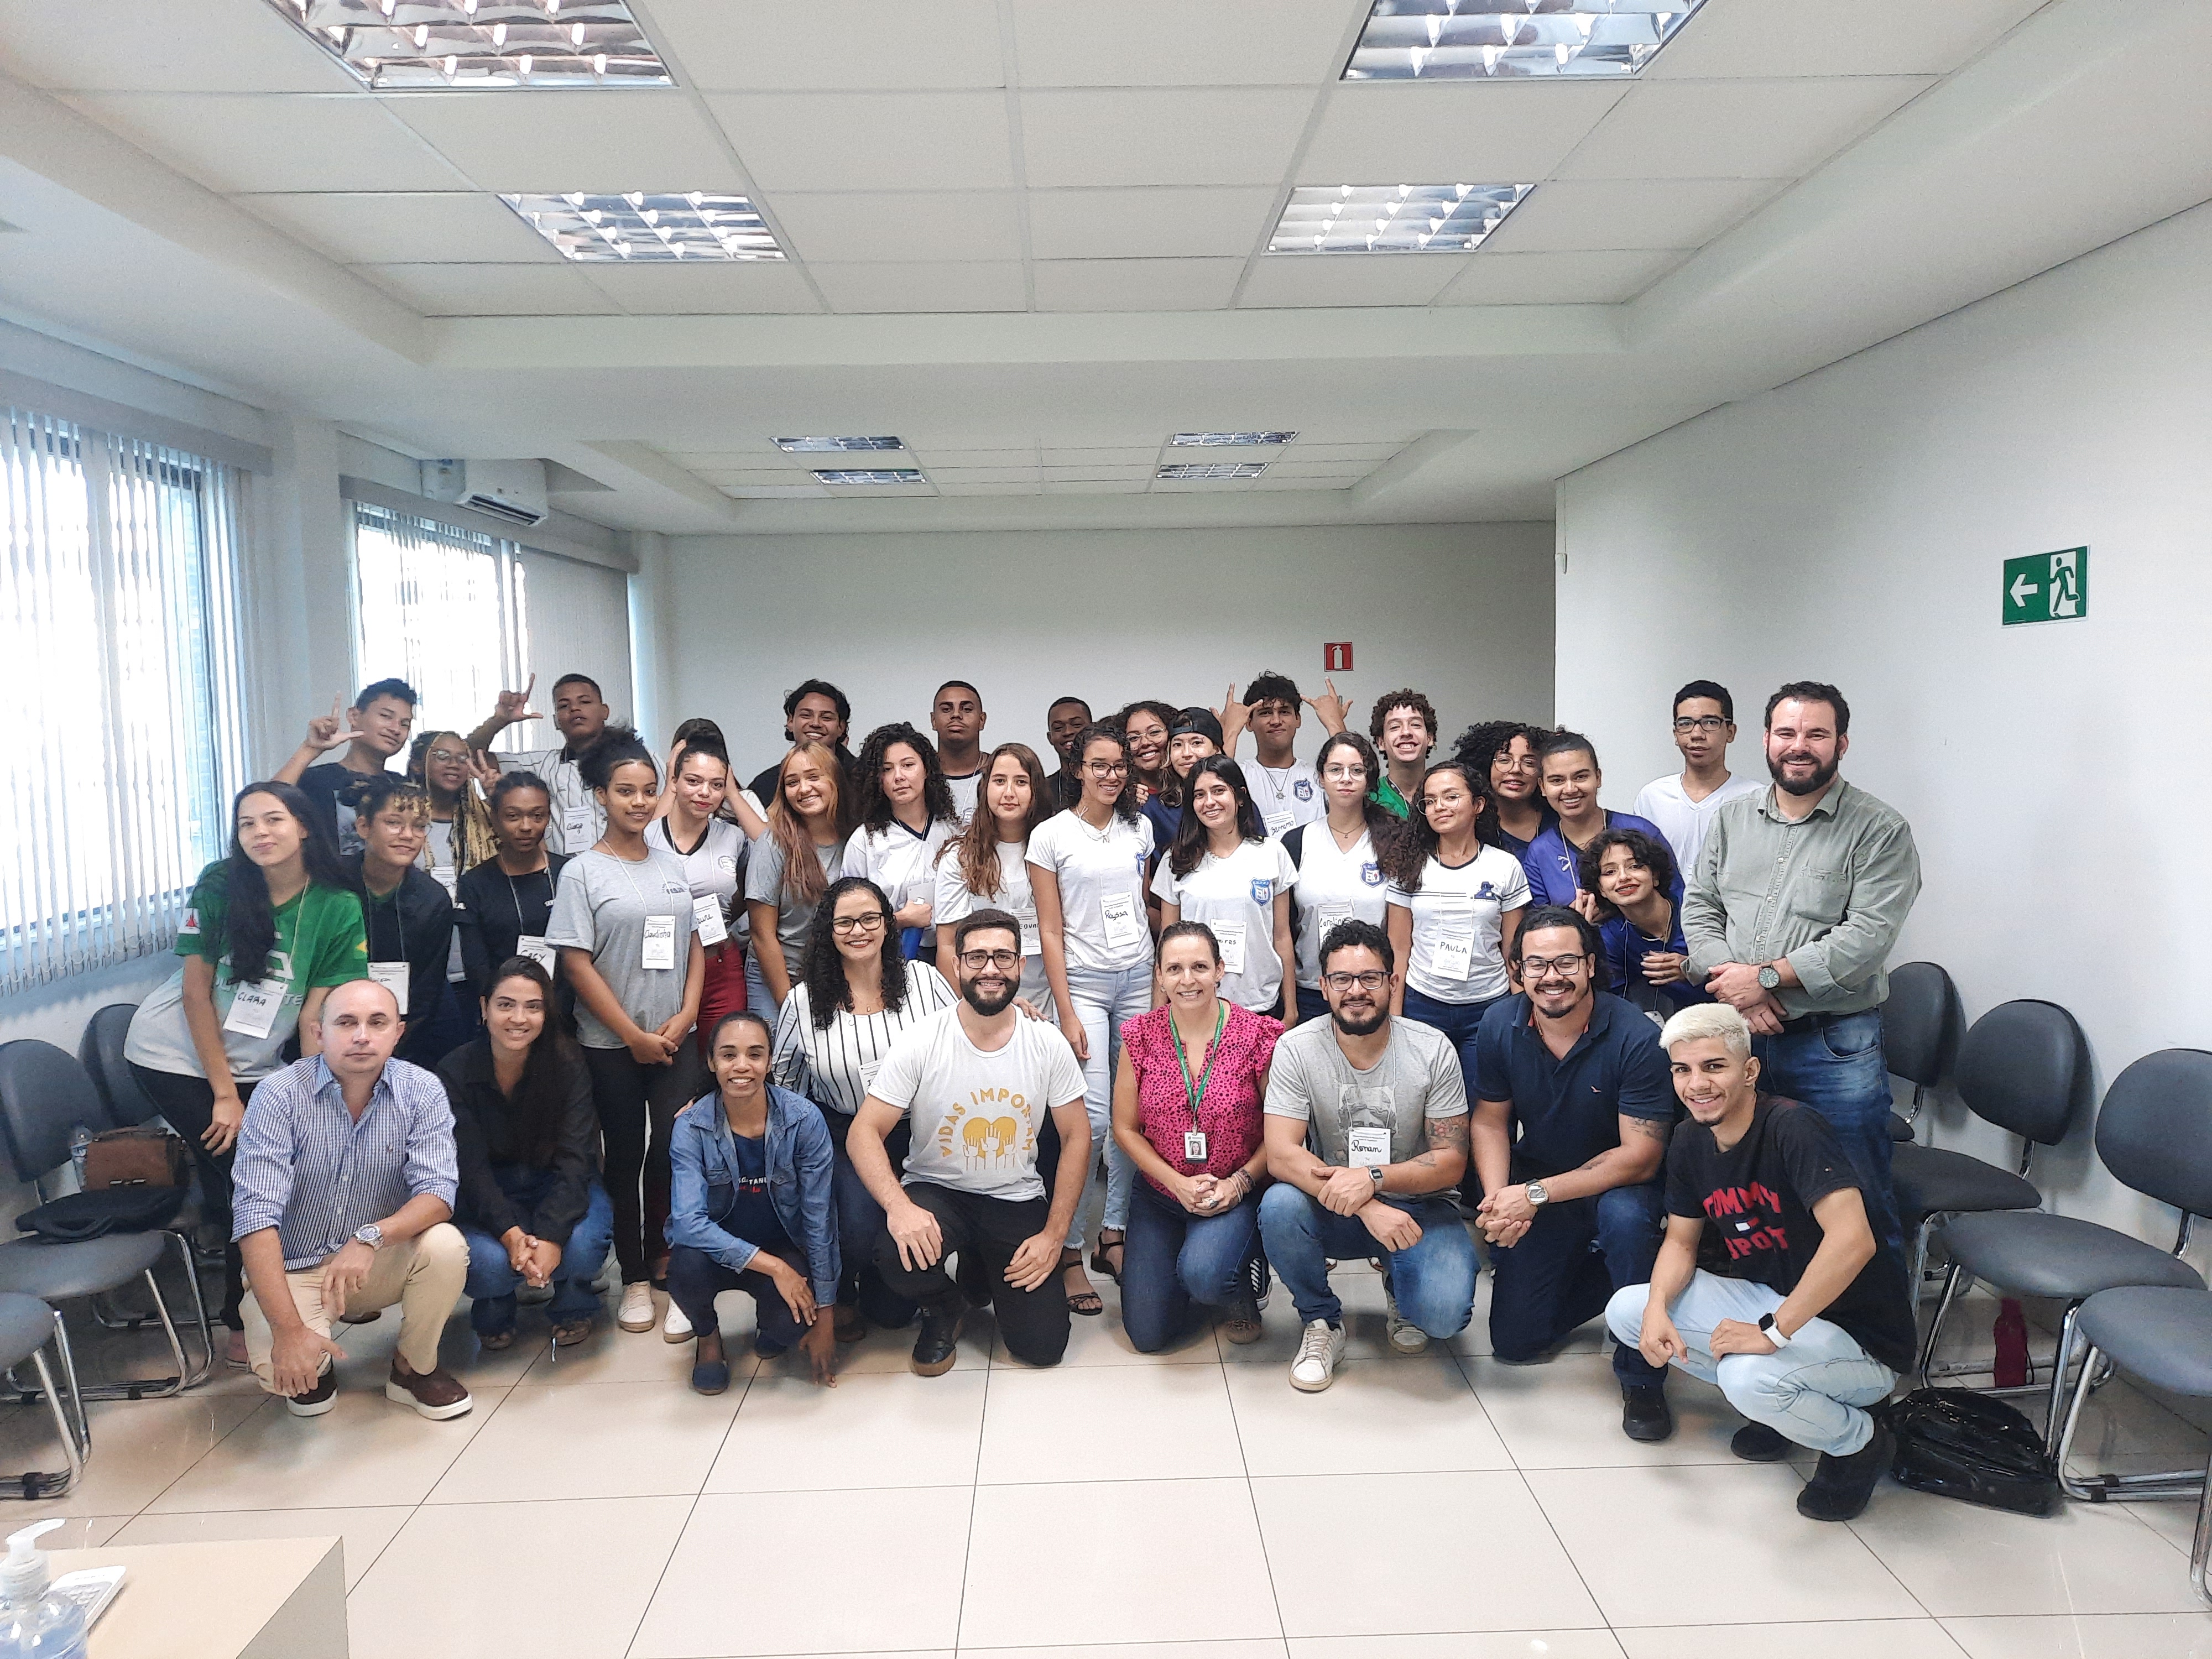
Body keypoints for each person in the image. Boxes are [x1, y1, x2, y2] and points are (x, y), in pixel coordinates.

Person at [1608, 1001, 1917, 1520]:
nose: (1697, 1085)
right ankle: (1788, 1407)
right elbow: (1681, 1242)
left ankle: (1860, 1441)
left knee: (1747, 1379)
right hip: (1774, 1298)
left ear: (1749, 1071)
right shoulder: (1689, 1138)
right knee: (1629, 1310)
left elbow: (1854, 1241)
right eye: (1683, 1070)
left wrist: (1772, 1334)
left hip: (1860, 1333)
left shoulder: (1794, 1128)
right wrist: (1659, 1307)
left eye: (1714, 1067)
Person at [124, 781, 368, 1366]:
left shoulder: (336, 904)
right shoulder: (219, 883)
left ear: (304, 826)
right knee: (252, 1180)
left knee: (282, 1170)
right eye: (247, 824)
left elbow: (315, 1013)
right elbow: (194, 994)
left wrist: (321, 1092)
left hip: (255, 1063)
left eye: (274, 820)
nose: (260, 833)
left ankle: (289, 1297)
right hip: (173, 1056)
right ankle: (244, 1320)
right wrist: (224, 1094)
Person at [1681, 681, 1922, 1250]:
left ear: (1840, 743)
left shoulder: (1880, 830)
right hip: (1737, 1037)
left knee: (1854, 1195)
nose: (1799, 746)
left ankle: (1872, 1335)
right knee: (1749, 1191)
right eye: (1786, 733)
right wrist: (1738, 990)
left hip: (1832, 1046)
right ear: (1765, 739)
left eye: (1816, 734)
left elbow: (1867, 937)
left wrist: (1763, 979)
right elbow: (1699, 907)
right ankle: (1778, 1320)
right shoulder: (1730, 819)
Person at [846, 910, 1092, 1374]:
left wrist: (1054, 1237)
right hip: (938, 1192)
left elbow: (1078, 1136)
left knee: (1042, 1348)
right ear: (956, 966)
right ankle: (946, 1305)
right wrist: (900, 1208)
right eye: (977, 957)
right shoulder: (921, 1039)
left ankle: (982, 1264)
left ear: (1020, 966)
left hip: (1013, 1196)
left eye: (1002, 956)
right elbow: (863, 1132)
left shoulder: (1047, 1042)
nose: (991, 969)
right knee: (895, 1260)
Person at [1470, 907, 1676, 1439]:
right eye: (1536, 964)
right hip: (1545, 1187)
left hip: (1622, 1186)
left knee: (1627, 1224)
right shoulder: (1500, 1024)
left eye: (1566, 961)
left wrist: (1533, 1195)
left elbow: (1640, 1156)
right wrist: (1499, 1202)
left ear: (1590, 965)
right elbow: (1491, 1122)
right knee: (1515, 1342)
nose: (1552, 976)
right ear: (1517, 971)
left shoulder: (1637, 1036)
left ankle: (1643, 1377)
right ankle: (1629, 1283)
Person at [230, 978, 472, 1419]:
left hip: (374, 1261)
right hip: (296, 1269)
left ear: (398, 1033)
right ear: (319, 1033)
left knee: (446, 1245)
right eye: (346, 1022)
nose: (362, 1035)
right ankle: (314, 1358)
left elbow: (438, 1194)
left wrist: (369, 1238)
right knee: (281, 1370)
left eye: (377, 1022)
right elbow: (255, 1219)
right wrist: (288, 1332)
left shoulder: (422, 1090)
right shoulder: (277, 1096)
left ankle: (413, 1369)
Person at [1258, 920, 1478, 1391]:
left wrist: (1374, 1179)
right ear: (1324, 986)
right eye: (1342, 979)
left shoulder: (1432, 1049)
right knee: (1278, 1205)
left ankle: (1402, 1287)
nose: (1355, 991)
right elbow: (1280, 1154)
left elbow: (1451, 1160)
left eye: (1369, 978)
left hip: (1419, 1206)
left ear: (1392, 982)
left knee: (1442, 1318)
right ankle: (1322, 1322)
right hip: (1334, 1203)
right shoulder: (1296, 1049)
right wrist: (1368, 1203)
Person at [545, 726, 706, 1337]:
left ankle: (678, 1264)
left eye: (647, 792)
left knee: (674, 1149)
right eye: (625, 792)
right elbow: (575, 962)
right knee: (624, 1158)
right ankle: (634, 1277)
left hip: (674, 1037)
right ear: (600, 797)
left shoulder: (671, 867)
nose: (638, 803)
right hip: (610, 1044)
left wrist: (689, 1013)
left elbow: (695, 943)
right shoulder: (583, 873)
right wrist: (631, 1034)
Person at [771, 877, 958, 1335]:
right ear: (829, 931)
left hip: (922, 1133)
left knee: (892, 1314)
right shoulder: (803, 1000)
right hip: (845, 1136)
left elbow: (963, 1043)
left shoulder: (923, 981)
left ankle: (916, 1292)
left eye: (871, 918)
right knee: (856, 1232)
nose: (859, 931)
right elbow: (786, 1086)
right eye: (846, 922)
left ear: (887, 924)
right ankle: (851, 1282)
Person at [1027, 724, 1155, 1298]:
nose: (1111, 775)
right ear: (1077, 768)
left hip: (1136, 979)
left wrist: (1155, 988)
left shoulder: (1140, 827)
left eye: (1119, 765)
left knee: (1132, 1119)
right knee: (1095, 1119)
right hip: (1082, 984)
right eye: (1099, 765)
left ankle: (1115, 1230)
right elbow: (1049, 929)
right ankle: (1070, 1247)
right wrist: (1065, 1009)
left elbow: (1144, 906)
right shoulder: (1050, 836)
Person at [1112, 922, 1276, 1351]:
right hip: (1162, 1193)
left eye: (1200, 967)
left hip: (1234, 1188)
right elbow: (1125, 1129)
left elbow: (1280, 1133)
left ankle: (1234, 1281)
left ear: (1220, 970)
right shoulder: (1140, 1036)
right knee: (1147, 1336)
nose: (1188, 980)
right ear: (1159, 976)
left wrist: (1238, 1185)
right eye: (1176, 969)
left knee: (1206, 1275)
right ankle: (1190, 1266)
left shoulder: (1257, 1036)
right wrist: (1178, 1184)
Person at [436, 959, 612, 1350]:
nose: (519, 1018)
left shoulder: (568, 1063)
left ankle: (573, 1304)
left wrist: (549, 1235)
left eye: (533, 1007)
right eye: (505, 1005)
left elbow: (576, 1161)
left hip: (556, 1184)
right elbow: (470, 1171)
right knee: (488, 1266)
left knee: (580, 1247)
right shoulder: (454, 1072)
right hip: (489, 1195)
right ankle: (495, 1308)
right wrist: (512, 1235)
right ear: (483, 1008)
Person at [666, 1010, 841, 1392]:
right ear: (712, 1062)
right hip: (716, 1251)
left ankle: (771, 1324)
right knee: (683, 1267)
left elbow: (819, 1219)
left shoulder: (803, 1120)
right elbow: (688, 1224)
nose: (742, 1066)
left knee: (791, 1325)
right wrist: (776, 1269)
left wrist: (826, 1314)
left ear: (769, 1061)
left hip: (781, 1245)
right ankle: (709, 1338)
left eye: (755, 1054)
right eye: (729, 1055)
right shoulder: (691, 1126)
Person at [1381, 761, 1530, 1100]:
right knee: (1426, 1105)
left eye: (1451, 797)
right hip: (1423, 1003)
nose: (1440, 807)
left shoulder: (1505, 866)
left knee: (1487, 1107)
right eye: (1430, 801)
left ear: (1478, 805)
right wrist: (1395, 1016)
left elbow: (1514, 952)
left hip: (1488, 1007)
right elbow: (1399, 949)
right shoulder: (1409, 866)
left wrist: (1521, 1013)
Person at [1151, 757, 1298, 1024]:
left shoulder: (1272, 853)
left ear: (1240, 797)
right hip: (1194, 1003)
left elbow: (1282, 937)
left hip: (1261, 1003)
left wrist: (1291, 1009)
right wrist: (1158, 1013)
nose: (1209, 802)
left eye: (1218, 791)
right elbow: (1166, 942)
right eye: (1199, 795)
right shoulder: (1177, 860)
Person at [933, 742, 1057, 1019]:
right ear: (985, 788)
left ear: (1036, 790)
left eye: (1021, 782)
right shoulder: (960, 856)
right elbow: (947, 943)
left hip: (1053, 992)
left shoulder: (1057, 849)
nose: (1009, 793)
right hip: (985, 993)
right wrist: (969, 1007)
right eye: (1000, 781)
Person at [646, 733, 749, 1062]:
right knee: (677, 1069)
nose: (705, 793)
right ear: (674, 781)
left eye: (717, 785)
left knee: (726, 1059)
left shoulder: (733, 837)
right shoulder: (646, 837)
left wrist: (733, 793)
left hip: (720, 963)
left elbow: (770, 864)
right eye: (693, 781)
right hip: (664, 969)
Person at [1282, 732, 1396, 1024]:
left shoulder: (1393, 841)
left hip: (1372, 991)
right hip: (1312, 990)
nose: (1346, 778)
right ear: (1320, 778)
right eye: (1335, 770)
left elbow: (1401, 930)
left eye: (1357, 770)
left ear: (1369, 780)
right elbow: (1284, 930)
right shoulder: (1296, 843)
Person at [343, 776, 456, 1066]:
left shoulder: (433, 900)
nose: (408, 835)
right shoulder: (334, 885)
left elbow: (426, 992)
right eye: (394, 823)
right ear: (364, 827)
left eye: (419, 827)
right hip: (336, 1030)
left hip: (403, 1038)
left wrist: (390, 1048)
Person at [404, 731, 498, 1063]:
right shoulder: (403, 825)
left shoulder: (487, 819)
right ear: (418, 763)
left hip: (473, 970)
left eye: (462, 757)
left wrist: (498, 799)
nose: (454, 764)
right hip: (420, 973)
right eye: (442, 755)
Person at [743, 741, 849, 1020]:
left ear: (834, 780)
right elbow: (761, 934)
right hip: (776, 977)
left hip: (832, 978)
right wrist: (789, 1004)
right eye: (793, 782)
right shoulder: (774, 842)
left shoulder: (855, 838)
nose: (803, 789)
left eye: (814, 777)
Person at [1522, 731, 1680, 911]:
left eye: (1581, 777)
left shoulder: (1641, 831)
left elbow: (1680, 901)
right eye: (1557, 780)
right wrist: (1569, 919)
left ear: (1598, 777)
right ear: (1543, 787)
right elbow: (1538, 924)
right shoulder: (1540, 852)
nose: (1570, 789)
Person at [842, 722, 959, 961]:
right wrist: (900, 920)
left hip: (953, 957)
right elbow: (846, 916)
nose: (899, 777)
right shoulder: (865, 841)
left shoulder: (952, 833)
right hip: (888, 959)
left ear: (926, 770)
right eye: (887, 769)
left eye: (908, 765)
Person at [466, 672, 614, 856]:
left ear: (605, 711)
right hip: (566, 878)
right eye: (564, 706)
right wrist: (499, 721)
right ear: (556, 721)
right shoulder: (541, 766)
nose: (575, 709)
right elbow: (469, 756)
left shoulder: (639, 760)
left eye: (584, 702)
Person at [1632, 681, 1765, 879]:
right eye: (1685, 724)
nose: (1697, 734)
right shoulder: (1652, 797)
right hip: (1667, 910)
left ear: (1731, 732)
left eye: (1710, 722)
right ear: (1676, 734)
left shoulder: (1756, 799)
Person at [454, 771, 569, 1000]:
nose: (526, 826)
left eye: (537, 816)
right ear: (495, 818)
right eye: (513, 816)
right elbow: (477, 966)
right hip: (506, 1008)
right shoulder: (475, 883)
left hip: (568, 1008)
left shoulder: (570, 873)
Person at [274, 678, 418, 854]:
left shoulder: (404, 787)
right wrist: (310, 749)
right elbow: (265, 805)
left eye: (405, 724)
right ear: (354, 717)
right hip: (329, 881)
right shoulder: (317, 780)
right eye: (386, 716)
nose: (396, 729)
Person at [1583, 827, 1705, 1019]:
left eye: (1635, 866)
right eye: (1610, 872)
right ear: (1601, 890)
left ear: (1655, 876)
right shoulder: (1613, 936)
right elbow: (1612, 1003)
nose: (1623, 877)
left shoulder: (1697, 908)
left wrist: (1694, 969)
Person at [1217, 672, 1332, 836]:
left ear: (1298, 719)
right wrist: (1231, 731)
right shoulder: (1239, 774)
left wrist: (1335, 725)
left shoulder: (1318, 776)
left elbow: (1356, 809)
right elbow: (1213, 790)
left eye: (1284, 712)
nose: (1276, 721)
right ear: (1248, 723)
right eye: (1265, 713)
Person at [745, 679, 856, 805]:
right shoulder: (766, 785)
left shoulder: (866, 779)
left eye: (826, 718)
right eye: (806, 715)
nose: (815, 723)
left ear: (841, 727)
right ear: (791, 722)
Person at [1453, 721, 1553, 858]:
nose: (1516, 770)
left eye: (1529, 763)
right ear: (1485, 766)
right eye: (1504, 760)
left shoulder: (1559, 821)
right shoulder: (1470, 828)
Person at [1141, 707, 1223, 863]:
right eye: (1178, 745)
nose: (1186, 753)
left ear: (1216, 750)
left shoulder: (1235, 803)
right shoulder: (1153, 809)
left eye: (1197, 743)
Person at [1367, 689, 1438, 821]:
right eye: (1395, 727)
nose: (1406, 732)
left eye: (1416, 725)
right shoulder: (1369, 798)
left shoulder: (1445, 793)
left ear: (1430, 738)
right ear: (1381, 742)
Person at [930, 680, 989, 825]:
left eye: (967, 709)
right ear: (933, 721)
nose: (956, 715)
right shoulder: (918, 774)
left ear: (982, 721)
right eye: (946, 709)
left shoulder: (999, 771)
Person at [1115, 700, 1179, 808]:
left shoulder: (1197, 789)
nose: (1145, 742)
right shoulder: (1120, 797)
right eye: (1133, 738)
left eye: (1154, 732)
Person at [1044, 695, 1092, 810]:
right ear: (1050, 738)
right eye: (1058, 728)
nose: (1068, 732)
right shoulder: (1043, 790)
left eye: (1076, 725)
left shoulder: (1111, 782)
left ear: (1092, 730)